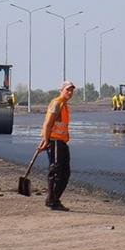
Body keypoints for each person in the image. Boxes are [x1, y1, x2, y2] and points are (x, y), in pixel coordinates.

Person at [38, 80, 76, 211]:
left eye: (71, 90)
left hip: (62, 142)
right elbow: (47, 124)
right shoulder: (56, 103)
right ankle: (52, 201)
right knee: (56, 171)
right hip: (54, 142)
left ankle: (54, 199)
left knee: (65, 173)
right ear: (61, 90)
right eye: (67, 90)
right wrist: (45, 141)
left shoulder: (64, 105)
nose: (70, 93)